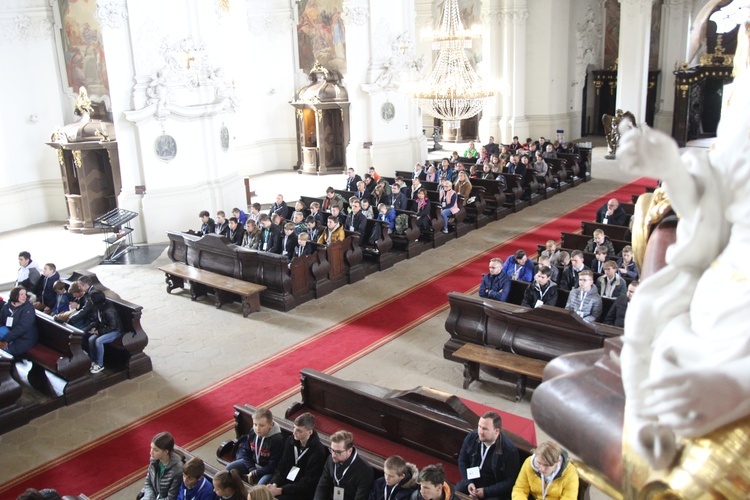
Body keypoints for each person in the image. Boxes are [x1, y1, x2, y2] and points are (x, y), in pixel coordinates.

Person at [456, 411, 520, 500]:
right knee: (455, 494)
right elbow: (462, 460)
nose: (480, 432)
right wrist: (469, 482)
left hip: (494, 488)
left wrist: (485, 492)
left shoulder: (509, 450)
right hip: (473, 480)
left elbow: (509, 482)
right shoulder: (472, 437)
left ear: (496, 431)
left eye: (485, 429)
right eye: (479, 426)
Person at [267, 412, 328, 500]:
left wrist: (280, 490)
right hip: (285, 484)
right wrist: (274, 484)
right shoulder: (290, 441)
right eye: (294, 428)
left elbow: (308, 483)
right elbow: (281, 467)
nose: (294, 432)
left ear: (309, 432)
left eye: (299, 430)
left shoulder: (318, 451)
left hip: (302, 492)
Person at [227, 407, 284, 484]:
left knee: (260, 487)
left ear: (270, 425)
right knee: (229, 469)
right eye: (255, 424)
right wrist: (251, 469)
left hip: (268, 470)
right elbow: (246, 452)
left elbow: (272, 466)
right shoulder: (253, 431)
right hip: (254, 463)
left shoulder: (277, 440)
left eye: (262, 425)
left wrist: (255, 473)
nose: (257, 428)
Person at [313, 430, 374, 500]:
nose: (333, 455)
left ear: (349, 451)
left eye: (338, 452)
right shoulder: (331, 459)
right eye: (332, 450)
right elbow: (322, 486)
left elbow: (360, 498)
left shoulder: (365, 470)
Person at [511, 441, 578, 500]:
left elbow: (569, 498)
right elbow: (520, 489)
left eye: (546, 465)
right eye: (539, 463)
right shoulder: (529, 463)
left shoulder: (570, 473)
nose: (541, 469)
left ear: (557, 461)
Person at [86, 291, 123, 374]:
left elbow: (113, 326)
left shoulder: (109, 310)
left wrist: (99, 332)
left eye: (91, 299)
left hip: (116, 331)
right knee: (91, 339)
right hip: (105, 329)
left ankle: (100, 364)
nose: (90, 300)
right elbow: (100, 320)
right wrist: (95, 329)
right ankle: (93, 361)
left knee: (99, 341)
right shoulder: (99, 307)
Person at [140, 431, 183, 500]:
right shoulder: (154, 460)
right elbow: (148, 483)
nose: (151, 452)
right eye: (151, 448)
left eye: (155, 450)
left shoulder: (177, 469)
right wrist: (148, 498)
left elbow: (171, 497)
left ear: (166, 452)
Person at [0, 287, 38, 356]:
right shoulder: (7, 306)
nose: (24, 297)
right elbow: (1, 321)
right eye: (21, 294)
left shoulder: (28, 309)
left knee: (6, 352)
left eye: (25, 294)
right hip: (10, 332)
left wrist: (7, 339)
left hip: (25, 337)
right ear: (15, 295)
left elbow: (22, 327)